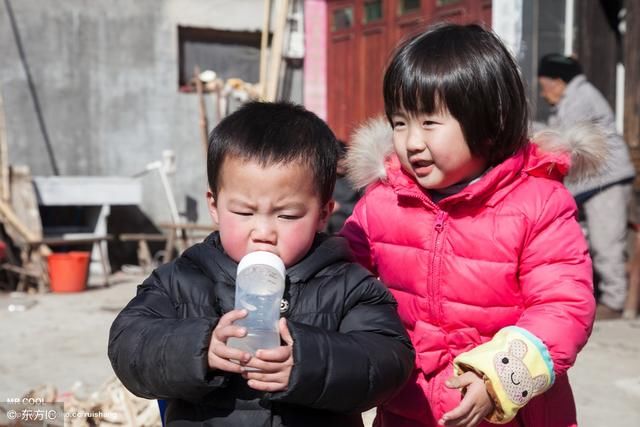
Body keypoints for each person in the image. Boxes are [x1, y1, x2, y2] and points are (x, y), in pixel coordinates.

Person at [340, 24, 597, 427]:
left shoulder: (539, 204)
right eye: (400, 122)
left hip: (512, 416)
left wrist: (497, 379)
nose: (411, 142)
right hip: (409, 411)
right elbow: (336, 281)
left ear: (488, 121)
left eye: (429, 122)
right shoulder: (381, 203)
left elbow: (562, 307)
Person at [108, 102, 414, 427]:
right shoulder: (185, 277)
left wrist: (309, 362)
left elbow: (388, 359)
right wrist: (200, 346)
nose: (264, 232)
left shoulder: (346, 284)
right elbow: (129, 342)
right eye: (243, 212)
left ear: (324, 213)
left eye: (287, 215)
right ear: (214, 205)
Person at [537, 53, 636, 319]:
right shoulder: (569, 100)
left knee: (606, 240)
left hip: (606, 178)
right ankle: (597, 294)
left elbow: (563, 140)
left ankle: (614, 301)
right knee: (587, 239)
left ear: (559, 81)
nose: (544, 94)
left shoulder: (581, 98)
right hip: (589, 182)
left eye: (545, 86)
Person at [326, 140, 362, 234]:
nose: (341, 163)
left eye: (343, 158)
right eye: (337, 159)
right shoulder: (326, 178)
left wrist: (340, 207)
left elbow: (363, 207)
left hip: (347, 222)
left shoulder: (357, 179)